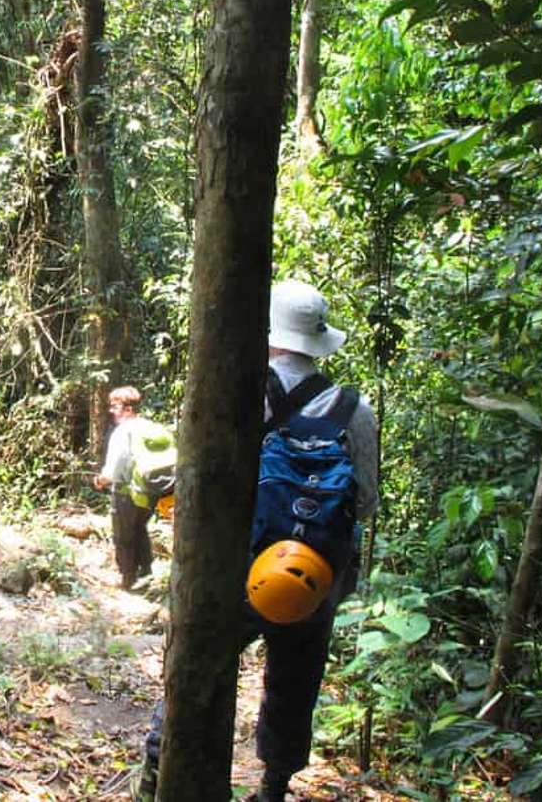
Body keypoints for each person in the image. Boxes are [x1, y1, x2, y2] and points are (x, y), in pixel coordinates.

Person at [136, 280, 378, 802]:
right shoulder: (354, 411)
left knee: (201, 664)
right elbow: (366, 502)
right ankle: (273, 787)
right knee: (295, 681)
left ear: (268, 331)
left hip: (239, 570)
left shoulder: (235, 391)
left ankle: (159, 762)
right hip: (314, 576)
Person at [93, 386, 159, 590]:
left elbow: (112, 470)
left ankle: (127, 579)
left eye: (115, 407)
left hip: (126, 493)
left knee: (123, 536)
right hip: (150, 491)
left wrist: (100, 480)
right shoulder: (149, 427)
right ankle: (146, 575)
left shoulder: (122, 432)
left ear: (128, 408)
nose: (112, 411)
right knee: (140, 529)